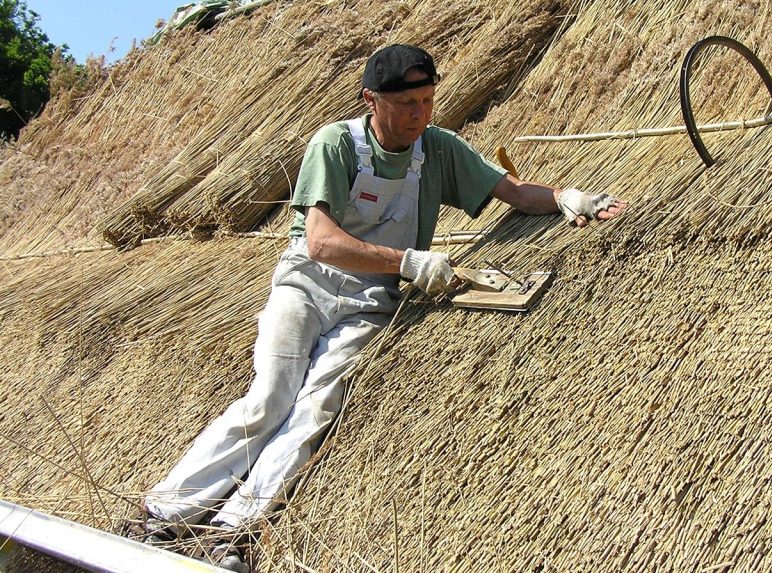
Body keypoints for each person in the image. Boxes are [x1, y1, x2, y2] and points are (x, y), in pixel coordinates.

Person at [124, 44, 625, 572]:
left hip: (371, 302)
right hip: (307, 287)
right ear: (372, 101)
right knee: (270, 398)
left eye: (429, 101)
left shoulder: (438, 150)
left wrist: (570, 197)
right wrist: (407, 259)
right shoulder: (336, 144)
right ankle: (165, 512)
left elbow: (515, 192)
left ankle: (232, 531)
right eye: (408, 104)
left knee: (316, 407)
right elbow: (319, 242)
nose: (420, 115)